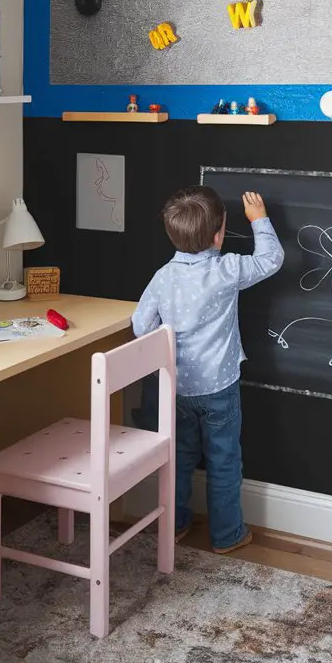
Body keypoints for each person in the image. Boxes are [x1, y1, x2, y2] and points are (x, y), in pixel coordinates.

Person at [131, 185, 284, 554]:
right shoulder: (227, 269)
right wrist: (259, 220)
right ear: (220, 233)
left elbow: (140, 325)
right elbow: (271, 260)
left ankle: (176, 523)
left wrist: (169, 346)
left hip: (176, 387)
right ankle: (228, 534)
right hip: (219, 388)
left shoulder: (164, 277)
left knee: (180, 458)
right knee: (224, 461)